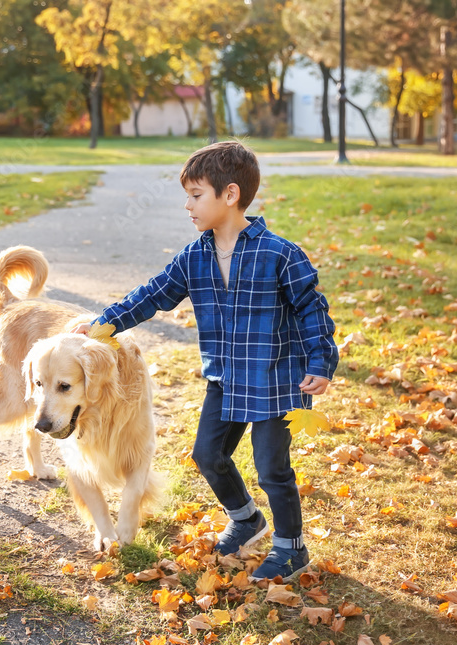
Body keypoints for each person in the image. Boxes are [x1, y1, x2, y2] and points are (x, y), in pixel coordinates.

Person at [74, 141, 338, 581]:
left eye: (196, 195)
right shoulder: (195, 256)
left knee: (273, 468)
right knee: (207, 454)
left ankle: (291, 548)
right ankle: (247, 519)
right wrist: (105, 323)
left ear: (229, 195)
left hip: (277, 380)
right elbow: (153, 294)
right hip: (227, 379)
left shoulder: (279, 253)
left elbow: (312, 308)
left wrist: (320, 361)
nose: (187, 205)